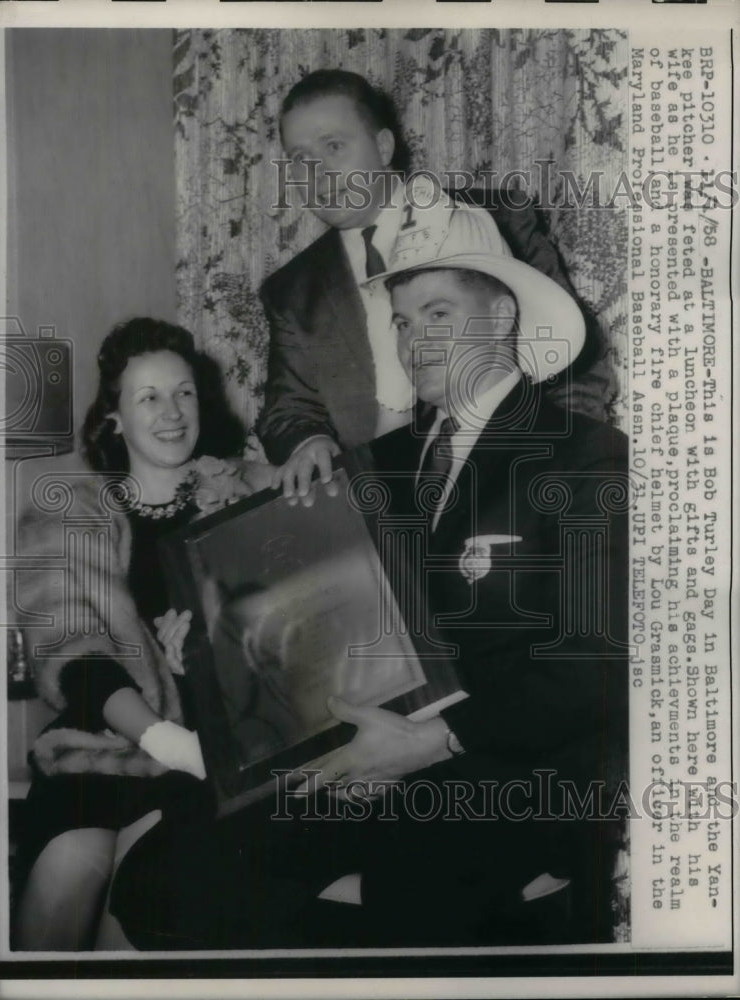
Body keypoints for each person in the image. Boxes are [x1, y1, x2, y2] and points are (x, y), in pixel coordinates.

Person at [111, 212, 628, 948]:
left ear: (501, 314)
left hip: (506, 773)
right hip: (363, 757)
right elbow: (298, 624)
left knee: (407, 892)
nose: (412, 339)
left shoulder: (585, 458)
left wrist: (433, 742)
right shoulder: (376, 466)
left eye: (437, 313)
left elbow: (593, 666)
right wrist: (205, 639)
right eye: (401, 320)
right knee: (164, 879)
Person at [13, 317, 267, 950]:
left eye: (183, 392)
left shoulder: (242, 498)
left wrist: (202, 658)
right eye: (148, 396)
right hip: (100, 746)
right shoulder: (66, 512)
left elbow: (279, 643)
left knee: (134, 905)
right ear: (115, 417)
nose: (172, 412)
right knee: (65, 870)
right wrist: (165, 736)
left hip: (207, 765)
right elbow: (72, 655)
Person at [257, 68, 581, 505]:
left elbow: (574, 371)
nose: (317, 172)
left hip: (518, 494)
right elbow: (288, 410)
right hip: (383, 517)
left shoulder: (494, 216)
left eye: (333, 146)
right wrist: (306, 442)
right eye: (299, 158)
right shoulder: (292, 289)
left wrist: (564, 478)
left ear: (384, 146)